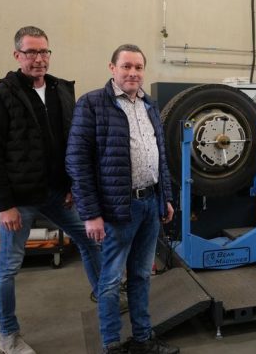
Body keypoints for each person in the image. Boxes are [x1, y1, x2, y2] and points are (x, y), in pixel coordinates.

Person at [0, 26, 101, 354]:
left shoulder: (62, 90)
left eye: (44, 51)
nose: (39, 59)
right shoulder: (0, 95)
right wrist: (4, 205)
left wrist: (72, 184)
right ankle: (8, 335)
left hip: (57, 193)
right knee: (8, 266)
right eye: (31, 52)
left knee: (91, 240)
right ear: (17, 55)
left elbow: (73, 144)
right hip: (19, 200)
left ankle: (106, 299)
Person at [66, 44, 178, 354]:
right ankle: (111, 345)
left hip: (150, 203)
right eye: (126, 66)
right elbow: (77, 161)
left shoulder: (149, 105)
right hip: (117, 208)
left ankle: (142, 339)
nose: (132, 73)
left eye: (138, 67)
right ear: (112, 68)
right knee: (111, 280)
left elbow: (160, 155)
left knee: (142, 275)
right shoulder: (92, 104)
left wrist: (166, 197)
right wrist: (90, 214)